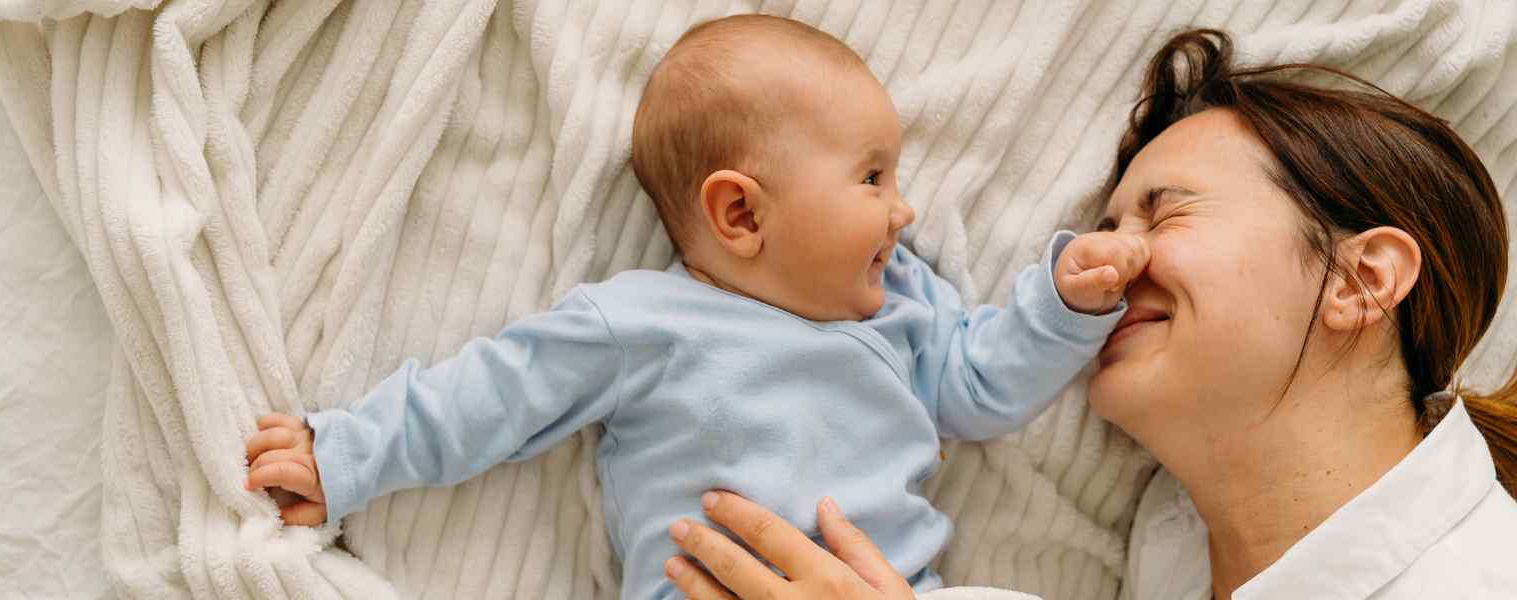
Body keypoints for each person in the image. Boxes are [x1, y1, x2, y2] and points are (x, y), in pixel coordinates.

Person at [238, 14, 1149, 600]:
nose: (902, 208)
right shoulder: (643, 324)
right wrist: (347, 453)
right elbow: (491, 395)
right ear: (741, 212)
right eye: (872, 176)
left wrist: (1064, 304)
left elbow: (981, 386)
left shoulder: (901, 302)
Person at [657, 29, 1517, 600]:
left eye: (1164, 213)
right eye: (1107, 226)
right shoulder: (1170, 552)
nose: (1107, 263)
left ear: (1359, 281)